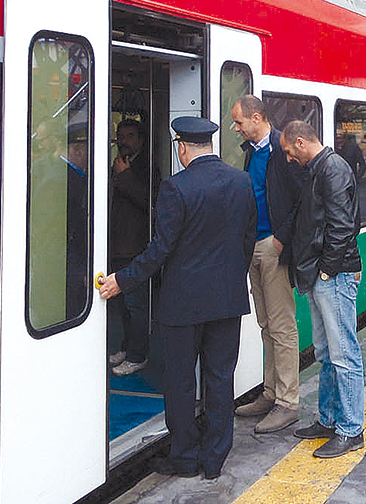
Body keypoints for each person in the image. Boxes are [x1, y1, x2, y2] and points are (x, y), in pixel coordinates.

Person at [98, 116, 256, 480]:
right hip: (227, 301)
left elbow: (160, 250)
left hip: (183, 305)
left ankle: (184, 457)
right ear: (210, 145)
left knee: (181, 381)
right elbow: (247, 239)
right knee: (220, 378)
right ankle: (215, 459)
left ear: (182, 148)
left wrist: (123, 280)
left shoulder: (176, 188)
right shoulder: (241, 181)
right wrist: (231, 278)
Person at [280, 120, 366, 458]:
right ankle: (329, 420)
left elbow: (343, 227)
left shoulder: (332, 170)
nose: (288, 158)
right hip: (321, 274)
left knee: (343, 353)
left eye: (289, 151)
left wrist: (327, 272)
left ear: (301, 143)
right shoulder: (321, 169)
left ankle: (351, 429)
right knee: (327, 352)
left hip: (333, 276)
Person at [230, 95, 304, 434]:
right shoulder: (253, 152)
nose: (236, 128)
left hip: (272, 246)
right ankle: (271, 392)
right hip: (253, 246)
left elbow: (302, 199)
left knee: (282, 325)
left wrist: (281, 238)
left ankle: (287, 402)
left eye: (240, 122)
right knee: (265, 324)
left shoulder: (281, 149)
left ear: (257, 118)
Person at [108, 115, 159, 376]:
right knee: (121, 304)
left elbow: (151, 203)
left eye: (129, 136)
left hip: (136, 245)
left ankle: (139, 354)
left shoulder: (147, 167)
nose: (123, 141)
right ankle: (127, 347)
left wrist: (125, 177)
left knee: (136, 304)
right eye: (120, 136)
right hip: (116, 243)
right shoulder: (115, 164)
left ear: (140, 140)